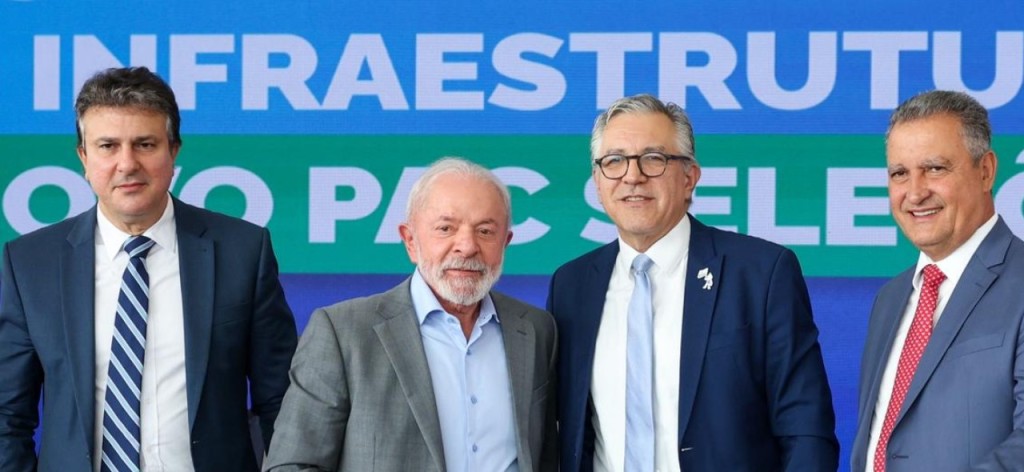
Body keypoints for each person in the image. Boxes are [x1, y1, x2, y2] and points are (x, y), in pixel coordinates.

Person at [0, 67, 298, 471]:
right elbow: (7, 415)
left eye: (145, 144)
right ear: (84, 158)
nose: (127, 164)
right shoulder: (30, 263)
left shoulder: (243, 251)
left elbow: (282, 403)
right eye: (108, 146)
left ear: (173, 151)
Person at [548, 94, 838, 471]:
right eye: (615, 161)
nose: (632, 176)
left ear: (689, 177)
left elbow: (806, 430)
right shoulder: (571, 286)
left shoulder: (761, 273)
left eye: (653, 158)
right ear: (599, 182)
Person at [264, 157, 558, 472]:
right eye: (446, 228)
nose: (467, 246)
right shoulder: (343, 333)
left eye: (485, 231)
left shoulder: (536, 330)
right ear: (410, 241)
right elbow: (292, 465)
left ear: (505, 243)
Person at [851, 90, 1024, 471]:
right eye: (900, 173)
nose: (915, 193)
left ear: (986, 171)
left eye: (934, 169)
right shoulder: (890, 299)